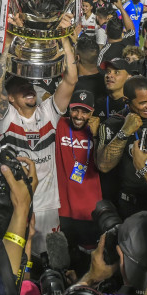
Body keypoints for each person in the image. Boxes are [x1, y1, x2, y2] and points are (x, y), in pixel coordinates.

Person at [0, 14, 77, 253]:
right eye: (20, 88)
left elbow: (70, 80)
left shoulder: (48, 112)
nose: (28, 89)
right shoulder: (6, 119)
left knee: (51, 261)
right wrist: (7, 41)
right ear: (10, 98)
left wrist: (64, 37)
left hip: (48, 205)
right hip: (19, 203)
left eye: (29, 86)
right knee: (21, 261)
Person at [96, 75, 147, 218]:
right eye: (143, 102)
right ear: (126, 101)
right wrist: (124, 132)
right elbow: (103, 166)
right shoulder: (112, 123)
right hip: (131, 205)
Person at [55, 89, 103, 250]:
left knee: (87, 257)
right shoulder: (59, 124)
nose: (79, 116)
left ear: (92, 113)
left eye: (85, 112)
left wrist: (97, 136)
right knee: (63, 256)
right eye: (75, 110)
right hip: (62, 207)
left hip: (88, 208)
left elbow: (104, 164)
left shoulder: (99, 130)